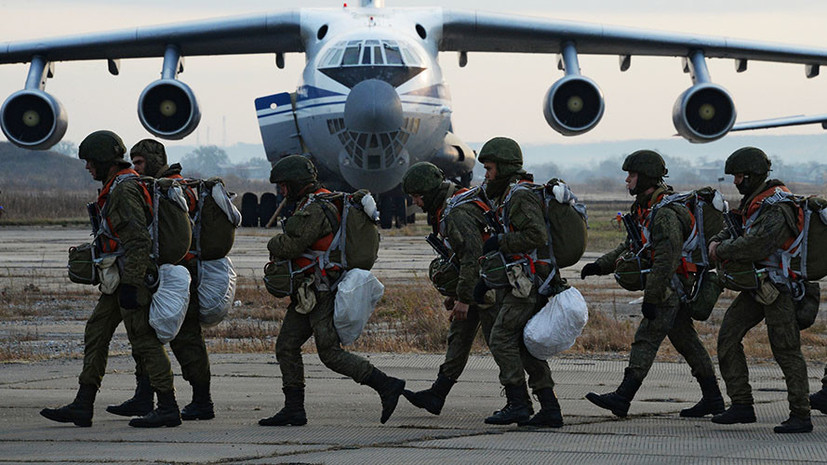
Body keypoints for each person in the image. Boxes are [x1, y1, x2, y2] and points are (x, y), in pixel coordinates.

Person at [40, 130, 181, 428]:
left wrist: (132, 284)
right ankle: (83, 404)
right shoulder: (116, 186)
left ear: (106, 161)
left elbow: (139, 241)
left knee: (144, 339)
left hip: (131, 278)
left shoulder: (123, 191)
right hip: (119, 278)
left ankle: (168, 406)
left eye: (91, 161)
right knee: (96, 332)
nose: (87, 167)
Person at [259, 154, 405, 426]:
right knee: (286, 346)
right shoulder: (317, 202)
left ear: (296, 183)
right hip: (309, 292)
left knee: (329, 353)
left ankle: (386, 385)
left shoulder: (316, 208)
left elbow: (291, 245)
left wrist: (274, 243)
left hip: (322, 292)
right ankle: (294, 409)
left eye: (284, 185)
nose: (281, 191)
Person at [580, 150, 723, 419]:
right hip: (669, 285)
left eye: (631, 175)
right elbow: (632, 245)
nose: (627, 181)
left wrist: (652, 297)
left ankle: (623, 397)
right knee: (687, 342)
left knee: (646, 338)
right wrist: (600, 266)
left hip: (670, 286)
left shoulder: (665, 213)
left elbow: (666, 260)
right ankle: (713, 398)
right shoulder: (647, 209)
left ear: (644, 177)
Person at [105, 139, 215, 421]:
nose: (135, 167)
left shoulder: (175, 189)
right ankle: (145, 396)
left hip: (180, 273)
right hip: (158, 271)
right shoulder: (152, 187)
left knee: (186, 338)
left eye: (140, 162)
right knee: (145, 335)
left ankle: (202, 401)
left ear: (154, 160)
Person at [708, 147, 812, 434]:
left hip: (779, 288)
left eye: (739, 176)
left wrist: (721, 250)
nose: (735, 182)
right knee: (728, 336)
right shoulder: (755, 203)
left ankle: (801, 415)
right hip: (758, 285)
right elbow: (737, 228)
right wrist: (719, 240)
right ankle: (741, 405)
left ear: (752, 176)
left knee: (786, 350)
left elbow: (757, 244)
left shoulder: (778, 207)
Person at [474, 137, 564, 427]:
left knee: (501, 337)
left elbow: (537, 236)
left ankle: (518, 403)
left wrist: (502, 241)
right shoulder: (511, 195)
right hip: (524, 281)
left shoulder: (520, 196)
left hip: (530, 283)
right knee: (524, 343)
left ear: (503, 168)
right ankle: (548, 407)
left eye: (489, 168)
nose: (486, 175)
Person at [399, 161, 497, 415]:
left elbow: (471, 256)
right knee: (459, 336)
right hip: (475, 285)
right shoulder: (446, 208)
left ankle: (527, 400)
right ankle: (437, 395)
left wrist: (464, 298)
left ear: (430, 193)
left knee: (500, 343)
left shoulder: (455, 212)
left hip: (488, 286)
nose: (416, 203)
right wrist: (457, 295)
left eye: (418, 197)